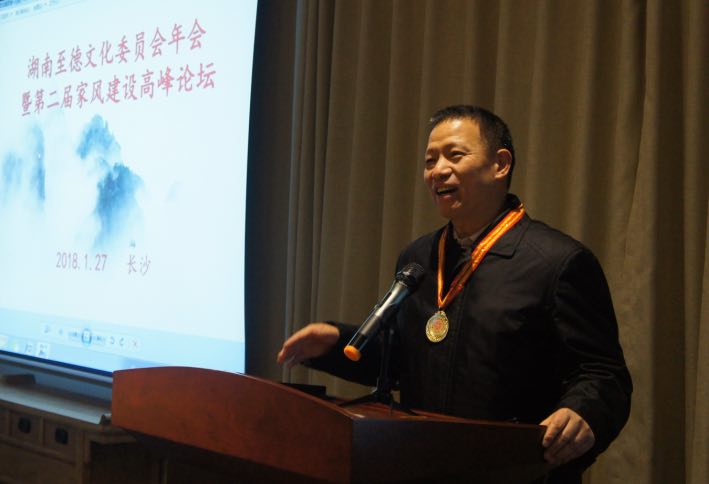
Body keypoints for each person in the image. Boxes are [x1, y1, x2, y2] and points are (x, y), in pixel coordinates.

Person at [277, 105, 632, 483]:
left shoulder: (558, 262)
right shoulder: (419, 258)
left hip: (515, 470)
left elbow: (604, 374)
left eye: (454, 155)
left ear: (500, 164)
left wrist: (583, 412)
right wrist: (335, 343)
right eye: (430, 160)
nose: (437, 170)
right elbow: (403, 360)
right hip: (423, 464)